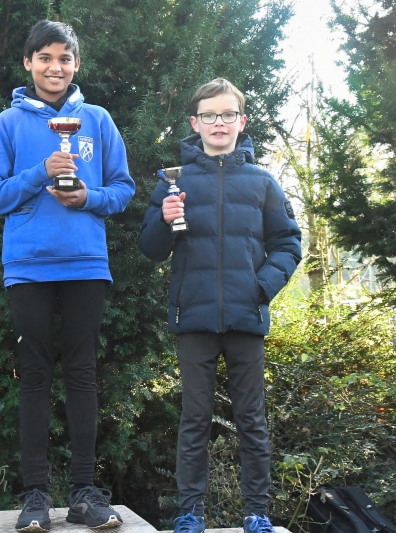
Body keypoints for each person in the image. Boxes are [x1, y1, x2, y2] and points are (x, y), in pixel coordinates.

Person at [0, 19, 135, 533]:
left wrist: (87, 197)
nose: (55, 67)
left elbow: (123, 189)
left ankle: (86, 493)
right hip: (27, 267)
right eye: (45, 58)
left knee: (83, 373)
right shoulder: (8, 123)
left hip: (86, 264)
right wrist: (40, 173)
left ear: (76, 64)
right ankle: (35, 496)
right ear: (28, 63)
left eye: (64, 58)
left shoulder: (98, 120)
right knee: (35, 375)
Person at [138, 78, 301, 533]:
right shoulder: (173, 182)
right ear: (195, 123)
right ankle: (190, 512)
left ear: (241, 121)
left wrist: (261, 288)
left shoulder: (263, 182)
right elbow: (150, 248)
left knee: (252, 419)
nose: (219, 123)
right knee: (194, 418)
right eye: (209, 115)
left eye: (228, 114)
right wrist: (165, 221)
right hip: (193, 318)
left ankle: (257, 513)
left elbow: (288, 243)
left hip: (247, 318)